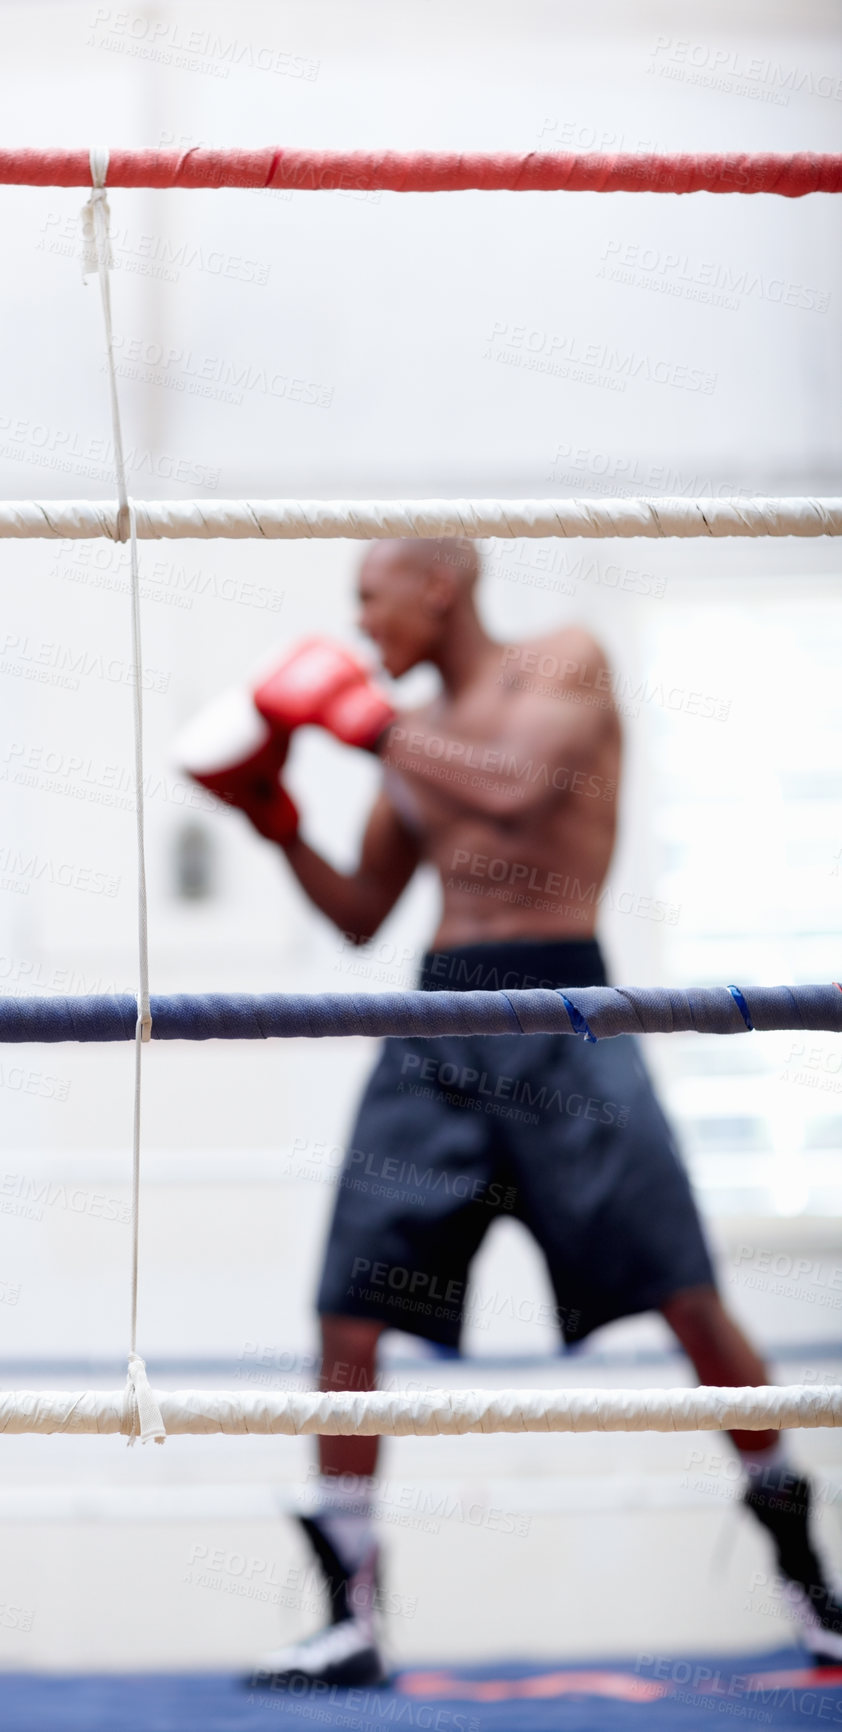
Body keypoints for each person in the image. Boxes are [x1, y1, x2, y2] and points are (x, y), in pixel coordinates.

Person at [176, 538, 842, 1686]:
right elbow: (359, 910)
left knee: (683, 1296)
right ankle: (352, 1616)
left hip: (567, 1010)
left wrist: (365, 726)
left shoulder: (557, 663)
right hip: (435, 1026)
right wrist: (272, 819)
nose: (360, 629)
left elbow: (520, 789)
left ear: (439, 586)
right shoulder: (411, 740)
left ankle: (810, 1586)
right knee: (347, 1314)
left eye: (369, 601)